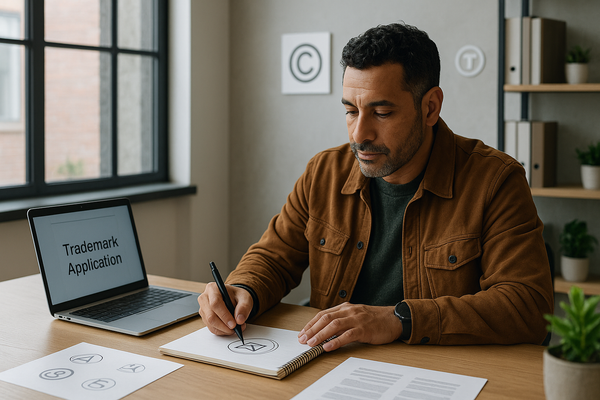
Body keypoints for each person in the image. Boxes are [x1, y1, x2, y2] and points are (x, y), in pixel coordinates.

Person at [198, 22, 554, 351]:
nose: (359, 134)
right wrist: (242, 289)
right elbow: (273, 258)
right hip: (331, 363)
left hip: (436, 370)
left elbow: (527, 304)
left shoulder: (495, 180)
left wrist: (399, 319)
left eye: (381, 113)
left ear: (430, 107)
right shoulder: (324, 171)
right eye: (351, 110)